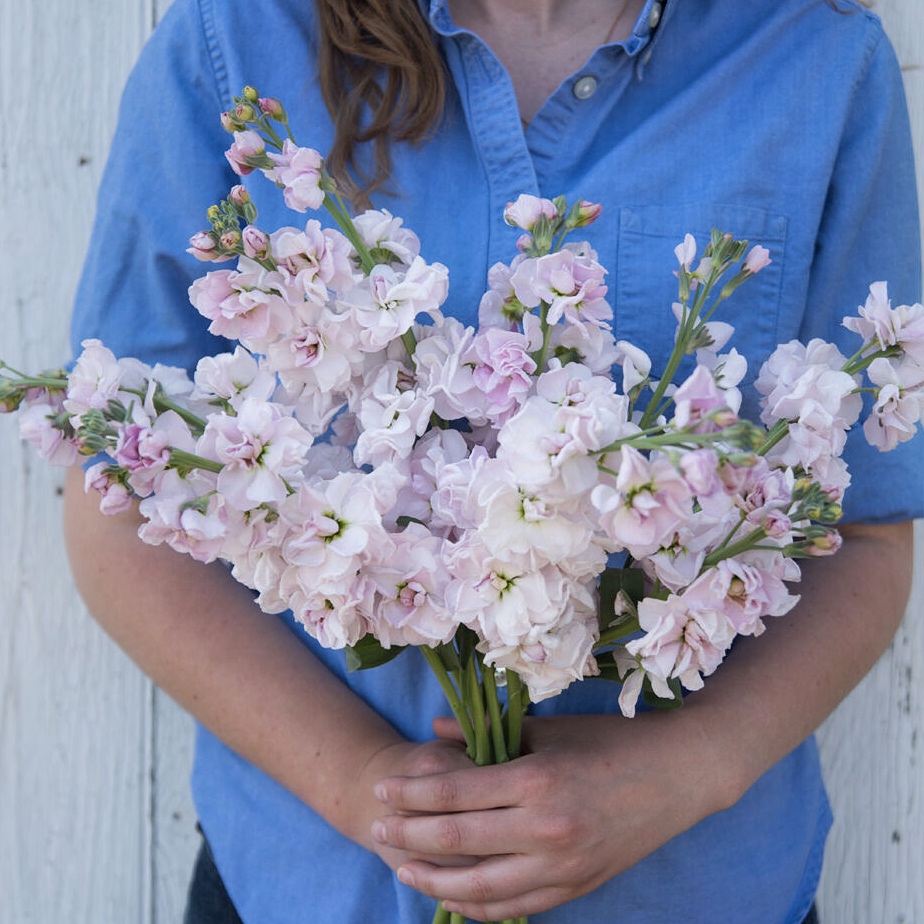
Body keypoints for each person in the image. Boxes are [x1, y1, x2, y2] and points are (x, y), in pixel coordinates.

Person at [62, 0, 922, 922]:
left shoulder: (812, 56)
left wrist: (686, 771)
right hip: (311, 881)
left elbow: (861, 533)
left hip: (691, 886)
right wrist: (376, 793)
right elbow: (120, 496)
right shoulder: (237, 39)